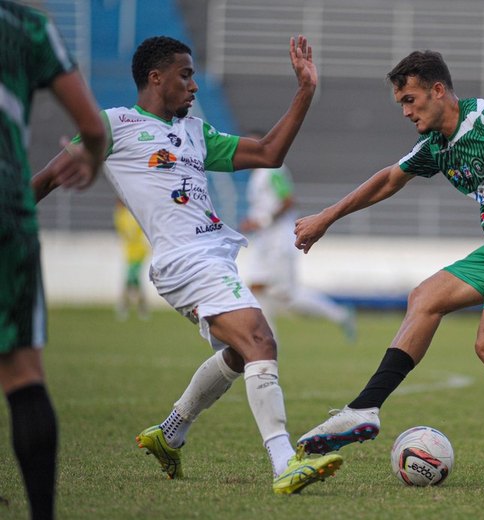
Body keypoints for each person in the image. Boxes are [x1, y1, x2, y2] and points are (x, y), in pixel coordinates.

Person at [31, 35, 342, 495]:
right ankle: (284, 463)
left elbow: (268, 154)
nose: (194, 86)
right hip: (183, 260)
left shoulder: (196, 132)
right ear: (155, 78)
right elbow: (45, 180)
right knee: (261, 339)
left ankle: (172, 429)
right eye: (185, 74)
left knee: (241, 351)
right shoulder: (114, 125)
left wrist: (305, 92)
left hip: (215, 257)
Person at [294, 50, 484, 492]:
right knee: (425, 297)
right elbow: (389, 179)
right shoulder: (435, 146)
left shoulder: (482, 117)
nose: (407, 112)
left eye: (411, 100)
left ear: (438, 90)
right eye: (401, 104)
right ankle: (365, 408)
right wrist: (326, 218)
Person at [0, 2, 106, 518]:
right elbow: (91, 125)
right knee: (22, 373)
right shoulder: (27, 26)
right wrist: (88, 156)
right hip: (5, 208)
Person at [238, 144, 356, 342]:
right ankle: (266, 343)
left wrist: (262, 221)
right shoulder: (256, 176)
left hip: (279, 242)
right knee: (255, 288)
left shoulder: (272, 170)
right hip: (264, 243)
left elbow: (287, 200)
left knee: (289, 297)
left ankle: (339, 314)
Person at [113, 199, 150, 321]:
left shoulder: (132, 216)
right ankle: (141, 307)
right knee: (134, 281)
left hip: (139, 253)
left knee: (130, 280)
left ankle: (125, 306)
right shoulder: (120, 216)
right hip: (129, 254)